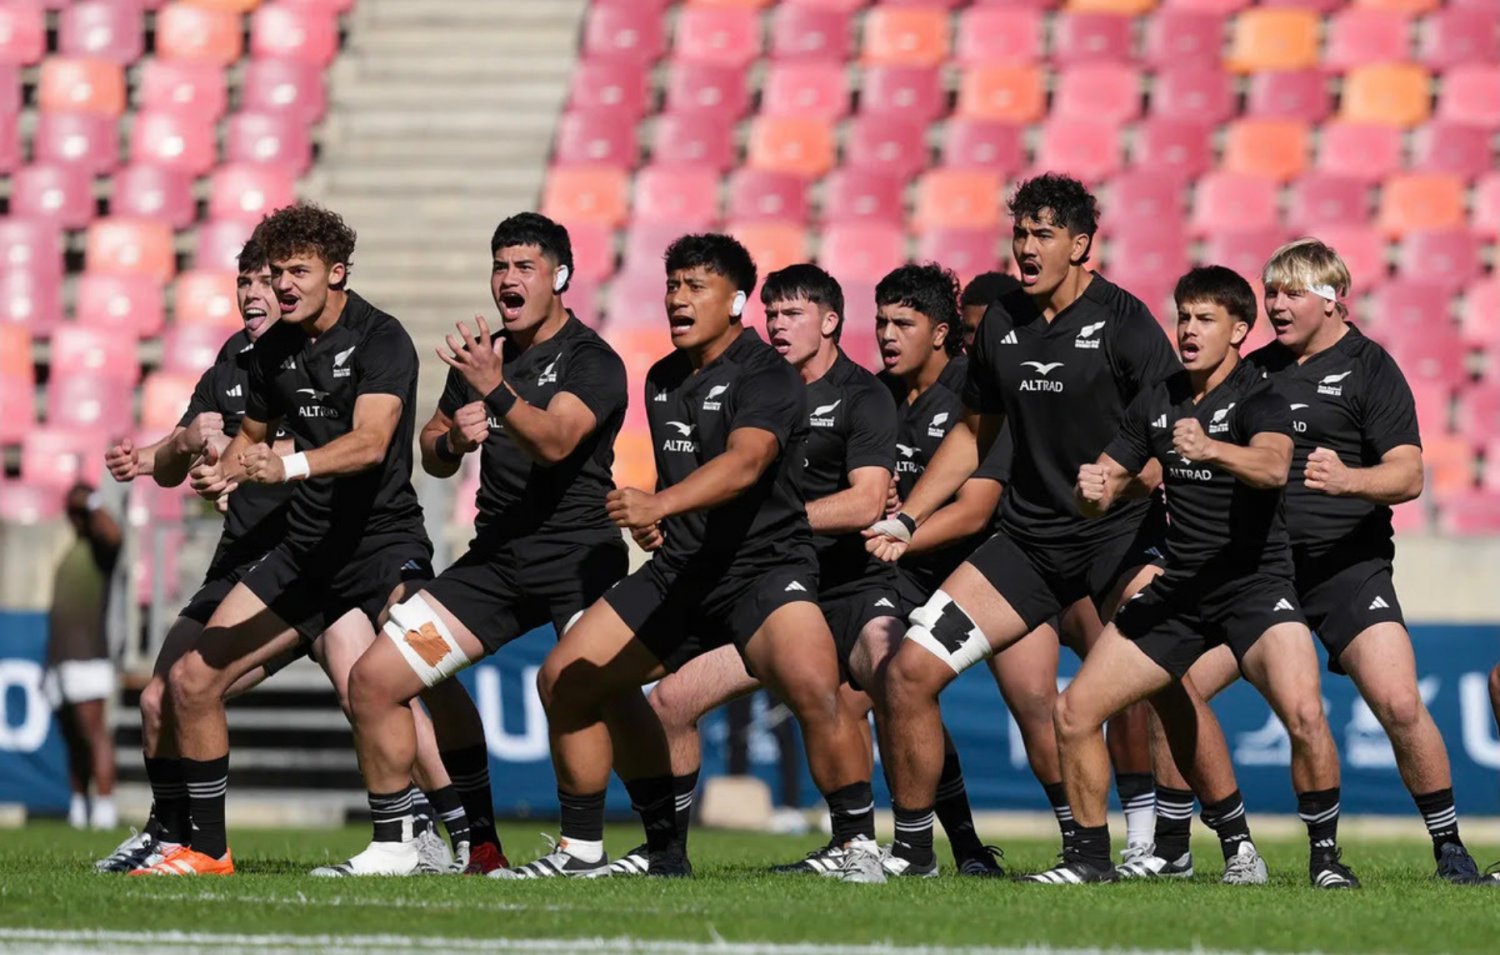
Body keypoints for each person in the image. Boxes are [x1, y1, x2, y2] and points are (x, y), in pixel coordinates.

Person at [864, 174, 1241, 879]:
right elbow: (974, 433)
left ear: (1080, 244)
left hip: (1117, 541)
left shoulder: (1126, 323)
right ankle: (913, 852)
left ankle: (1224, 839)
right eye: (1021, 233)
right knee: (908, 673)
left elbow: (1171, 437)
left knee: (1163, 681)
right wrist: (910, 516)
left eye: (1044, 234)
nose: (1028, 247)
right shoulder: (1000, 322)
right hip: (1027, 545)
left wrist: (1122, 480)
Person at [517, 234, 884, 882]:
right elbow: (686, 478)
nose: (677, 299)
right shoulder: (661, 378)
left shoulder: (767, 374)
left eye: (695, 287)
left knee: (812, 687)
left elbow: (745, 463)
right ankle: (612, 852)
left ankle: (857, 849)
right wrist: (660, 518)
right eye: (672, 285)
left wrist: (660, 503)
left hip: (765, 568)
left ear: (737, 301)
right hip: (682, 573)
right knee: (564, 679)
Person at [99, 239, 468, 876]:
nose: (257, 292)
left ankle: (451, 831)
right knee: (168, 692)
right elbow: (194, 454)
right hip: (253, 560)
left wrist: (266, 462)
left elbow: (353, 443)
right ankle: (175, 836)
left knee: (379, 688)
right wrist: (190, 453)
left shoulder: (348, 346)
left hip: (333, 550)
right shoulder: (238, 362)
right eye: (248, 281)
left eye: (270, 280)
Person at [626, 264, 1002, 880]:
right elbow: (708, 483)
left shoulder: (864, 394)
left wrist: (778, 522)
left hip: (851, 588)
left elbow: (865, 502)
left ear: (829, 323)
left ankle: (942, 847)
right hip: (766, 587)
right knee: (671, 701)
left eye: (792, 314)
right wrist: (664, 516)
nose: (777, 325)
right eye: (771, 313)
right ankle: (667, 856)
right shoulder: (753, 390)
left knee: (897, 683)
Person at [322, 212, 654, 877]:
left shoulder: (591, 359)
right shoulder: (484, 356)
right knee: (376, 679)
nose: (508, 278)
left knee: (587, 689)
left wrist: (495, 390)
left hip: (577, 560)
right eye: (500, 265)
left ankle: (616, 847)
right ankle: (413, 844)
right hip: (496, 565)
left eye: (524, 266)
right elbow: (432, 448)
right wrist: (452, 439)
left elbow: (556, 440)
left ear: (560, 276)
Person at [1149, 239, 1488, 885]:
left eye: (1293, 293)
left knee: (1399, 702)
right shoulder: (1253, 372)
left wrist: (1350, 480)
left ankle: (1449, 849)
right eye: (1271, 293)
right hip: (1256, 573)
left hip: (1345, 570)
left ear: (1333, 301)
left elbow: (1410, 474)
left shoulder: (1370, 367)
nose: (1277, 305)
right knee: (1170, 684)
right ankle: (1173, 846)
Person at [1043, 265, 1352, 888]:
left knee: (1305, 713)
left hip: (1256, 588)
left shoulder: (1261, 396)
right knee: (1073, 712)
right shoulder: (1157, 399)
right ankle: (1091, 860)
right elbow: (1104, 488)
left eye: (1205, 319)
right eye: (1183, 316)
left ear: (1238, 330)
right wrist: (1092, 491)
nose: (1188, 330)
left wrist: (1211, 448)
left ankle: (1325, 860)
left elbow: (1273, 468)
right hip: (1180, 589)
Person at [958, 270, 1159, 861]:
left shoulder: (1085, 356)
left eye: (982, 331)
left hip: (1094, 547)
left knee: (1124, 689)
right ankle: (1079, 836)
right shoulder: (976, 398)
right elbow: (972, 483)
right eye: (970, 335)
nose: (980, 344)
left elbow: (1152, 454)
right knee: (1034, 704)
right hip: (1022, 554)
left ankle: (1147, 837)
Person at [44, 483, 122, 831]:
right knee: (73, 736)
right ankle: (79, 805)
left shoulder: (100, 546)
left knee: (93, 733)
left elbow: (115, 535)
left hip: (88, 654)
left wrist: (91, 502)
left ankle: (105, 807)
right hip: (62, 658)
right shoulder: (74, 548)